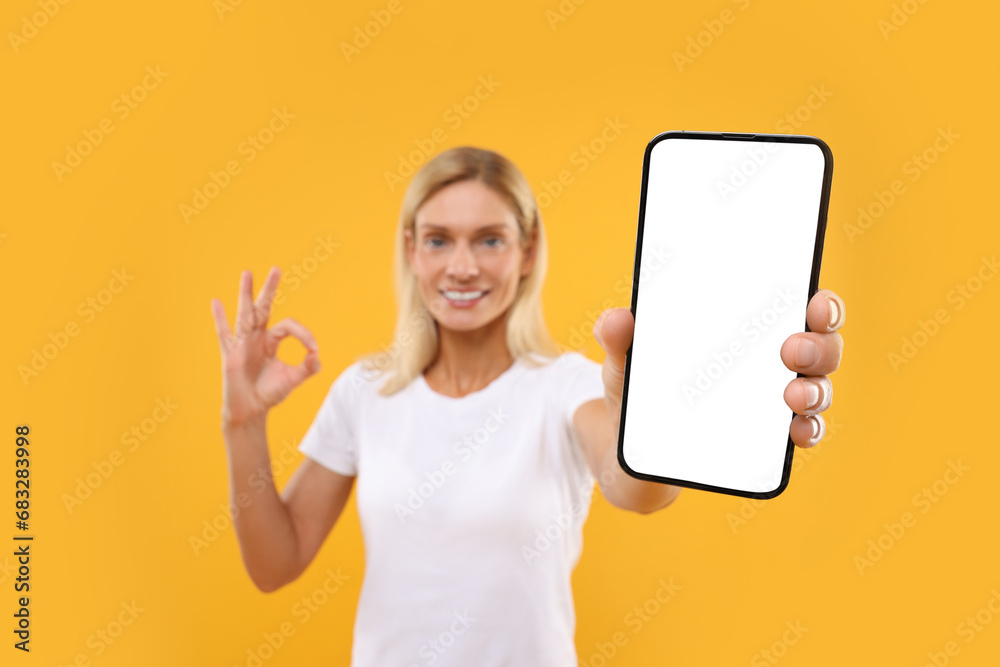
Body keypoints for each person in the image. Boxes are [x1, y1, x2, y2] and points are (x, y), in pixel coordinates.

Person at [210, 146, 845, 665]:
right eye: (439, 241)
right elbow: (275, 564)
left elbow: (636, 490)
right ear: (411, 250)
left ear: (528, 251)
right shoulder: (364, 391)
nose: (462, 267)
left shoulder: (567, 387)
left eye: (490, 240)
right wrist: (244, 422)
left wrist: (654, 416)